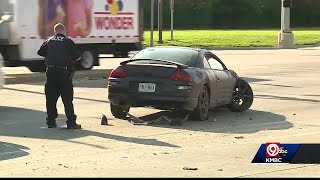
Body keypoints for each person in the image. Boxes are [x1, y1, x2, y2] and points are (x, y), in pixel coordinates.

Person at [37, 23, 82, 129]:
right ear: (64, 31)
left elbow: (40, 52)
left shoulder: (48, 41)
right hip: (64, 74)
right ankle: (71, 122)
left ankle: (51, 122)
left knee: (51, 99)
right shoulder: (68, 42)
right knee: (67, 99)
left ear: (55, 31)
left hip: (51, 73)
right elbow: (78, 57)